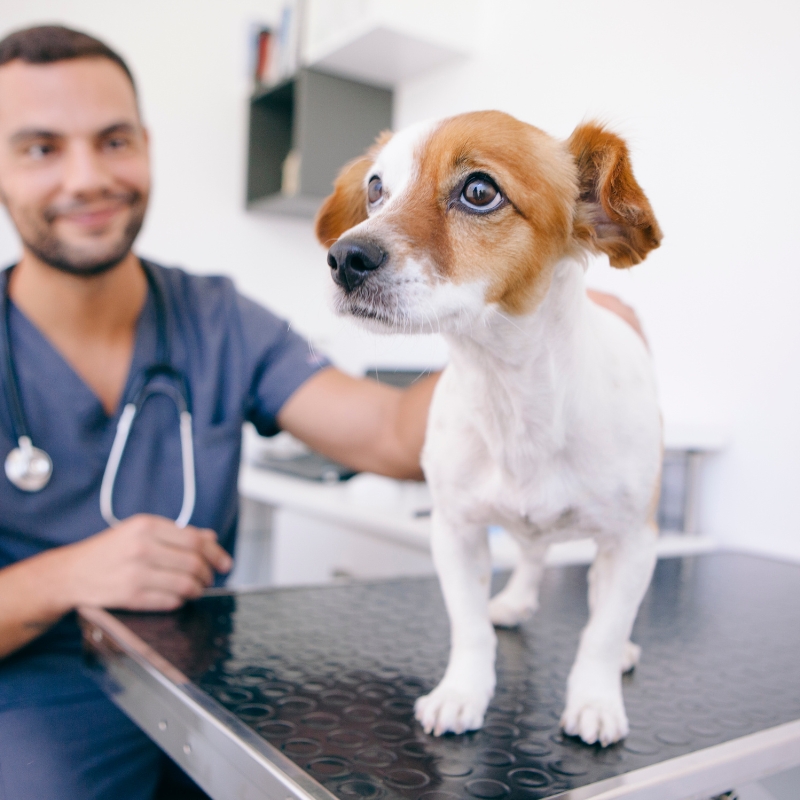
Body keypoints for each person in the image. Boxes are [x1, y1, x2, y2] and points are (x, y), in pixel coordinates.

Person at [0, 25, 644, 800]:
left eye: (112, 140)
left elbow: (385, 432)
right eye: (39, 148)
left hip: (203, 682)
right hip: (27, 695)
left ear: (145, 144)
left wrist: (541, 349)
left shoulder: (217, 318)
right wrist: (63, 578)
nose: (86, 176)